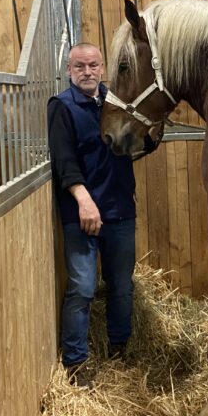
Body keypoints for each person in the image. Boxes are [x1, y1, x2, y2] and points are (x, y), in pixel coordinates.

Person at [48, 42, 156, 388]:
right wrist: (83, 200)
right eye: (79, 66)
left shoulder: (116, 103)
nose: (87, 72)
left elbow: (133, 142)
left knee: (122, 286)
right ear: (69, 71)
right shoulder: (62, 107)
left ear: (103, 69)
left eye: (93, 65)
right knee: (82, 287)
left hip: (120, 210)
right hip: (82, 213)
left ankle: (119, 349)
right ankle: (77, 362)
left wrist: (152, 135)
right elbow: (64, 162)